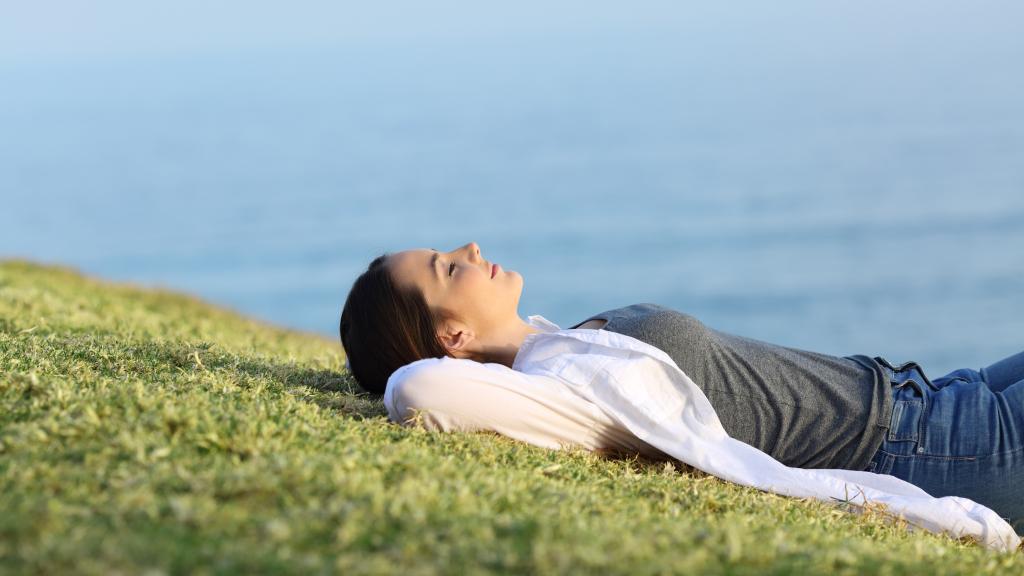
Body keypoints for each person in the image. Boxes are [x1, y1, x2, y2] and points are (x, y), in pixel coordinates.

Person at [339, 241, 1024, 535]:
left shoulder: (558, 342)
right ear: (452, 339)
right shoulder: (554, 389)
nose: (471, 249)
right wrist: (413, 368)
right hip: (941, 449)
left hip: (934, 396)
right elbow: (418, 390)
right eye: (448, 270)